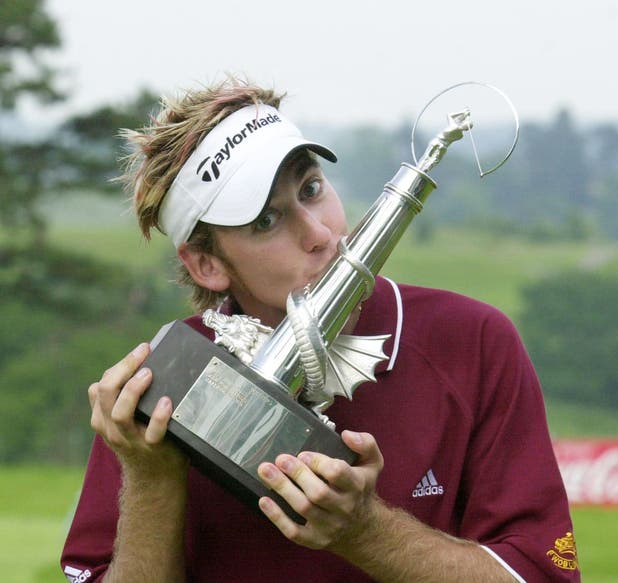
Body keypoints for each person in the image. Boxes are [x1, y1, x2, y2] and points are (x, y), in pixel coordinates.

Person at [61, 76, 580, 583]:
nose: (320, 235)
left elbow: (540, 573)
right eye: (266, 221)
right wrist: (152, 479)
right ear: (206, 265)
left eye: (312, 189)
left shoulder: (471, 340)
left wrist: (366, 531)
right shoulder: (162, 387)